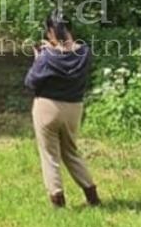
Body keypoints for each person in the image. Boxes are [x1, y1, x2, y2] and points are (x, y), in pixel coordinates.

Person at [23, 11, 101, 208]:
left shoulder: (48, 56)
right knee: (71, 152)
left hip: (47, 107)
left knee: (50, 155)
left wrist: (39, 57)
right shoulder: (85, 53)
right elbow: (69, 53)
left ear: (50, 32)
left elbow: (30, 82)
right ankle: (91, 194)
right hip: (74, 108)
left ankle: (57, 199)